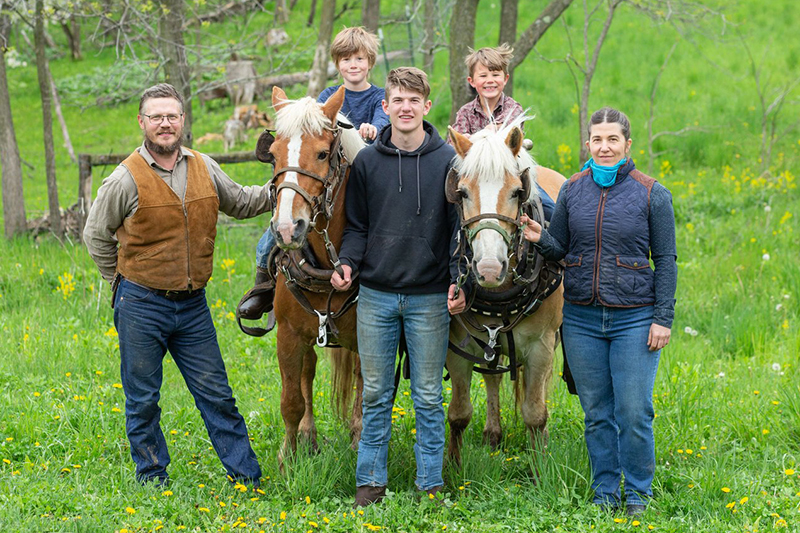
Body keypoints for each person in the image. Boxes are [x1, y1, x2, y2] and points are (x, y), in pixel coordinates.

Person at [83, 83, 269, 487]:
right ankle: (152, 477)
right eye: (156, 116)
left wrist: (288, 187)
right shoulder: (125, 179)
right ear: (142, 122)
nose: (165, 123)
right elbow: (96, 235)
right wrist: (118, 281)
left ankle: (247, 478)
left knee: (217, 395)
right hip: (140, 303)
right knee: (144, 399)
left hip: (192, 306)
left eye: (172, 116)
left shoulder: (203, 165)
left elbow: (241, 200)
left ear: (183, 121)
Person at [520, 107, 677, 516]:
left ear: (627, 145)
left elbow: (666, 259)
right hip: (582, 320)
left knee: (634, 410)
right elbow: (562, 250)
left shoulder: (651, 193)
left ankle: (638, 494)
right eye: (597, 140)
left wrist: (663, 317)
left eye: (612, 140)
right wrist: (540, 237)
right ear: (587, 144)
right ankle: (605, 491)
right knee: (596, 413)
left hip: (635, 318)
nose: (604, 147)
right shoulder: (573, 190)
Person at [330, 67, 467, 506]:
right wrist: (348, 262)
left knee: (428, 395)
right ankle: (370, 482)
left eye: (414, 101)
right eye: (397, 101)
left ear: (427, 107)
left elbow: (456, 231)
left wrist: (458, 280)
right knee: (375, 392)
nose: (405, 108)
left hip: (430, 297)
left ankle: (430, 483)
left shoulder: (448, 161)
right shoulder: (367, 161)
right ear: (384, 107)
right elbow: (356, 226)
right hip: (376, 294)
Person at [239, 26, 390, 320]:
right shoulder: (328, 95)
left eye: (359, 59)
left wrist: (372, 128)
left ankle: (389, 279)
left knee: (384, 218)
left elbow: (383, 122)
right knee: (281, 218)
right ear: (337, 64)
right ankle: (263, 282)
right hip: (328, 176)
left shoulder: (378, 97)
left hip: (363, 175)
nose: (353, 65)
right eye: (346, 60)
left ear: (370, 62)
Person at [452, 44, 555, 221]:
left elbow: (505, 132)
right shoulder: (465, 112)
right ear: (472, 81)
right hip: (477, 175)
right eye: (483, 75)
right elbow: (455, 143)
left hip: (508, 172)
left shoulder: (513, 108)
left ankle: (556, 234)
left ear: (505, 78)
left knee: (545, 203)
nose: (490, 80)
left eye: (495, 75)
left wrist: (475, 138)